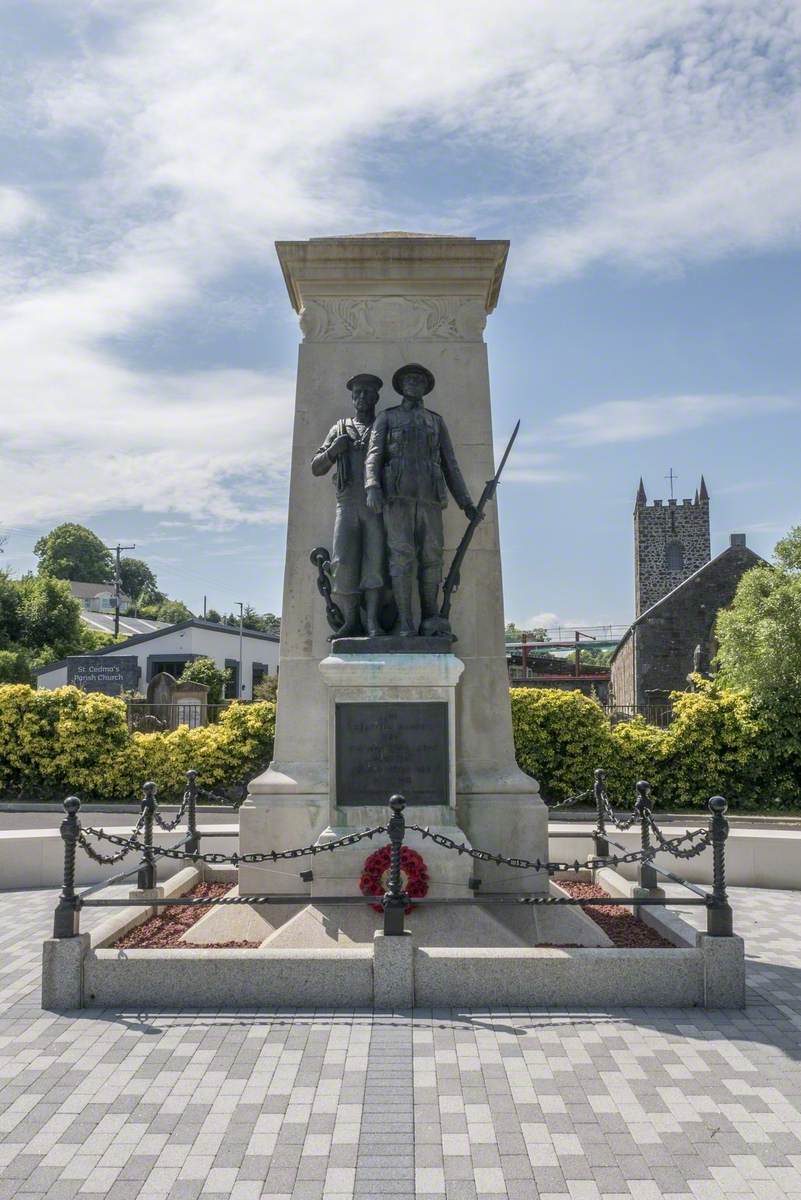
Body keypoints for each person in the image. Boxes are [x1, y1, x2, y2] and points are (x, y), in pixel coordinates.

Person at [364, 363, 478, 637]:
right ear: (401, 385)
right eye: (409, 379)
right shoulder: (387, 418)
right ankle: (405, 622)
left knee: (432, 558)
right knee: (401, 558)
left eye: (419, 380)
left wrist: (466, 503)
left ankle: (430, 619)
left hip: (429, 498)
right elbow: (374, 455)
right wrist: (371, 486)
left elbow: (451, 464)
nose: (414, 383)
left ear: (426, 386)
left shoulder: (435, 421)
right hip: (396, 498)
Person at [311, 373, 386, 637]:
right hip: (346, 503)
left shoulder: (382, 425)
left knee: (375, 563)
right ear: (352, 398)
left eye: (367, 392)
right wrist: (333, 450)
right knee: (343, 563)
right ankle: (351, 621)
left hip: (376, 505)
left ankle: (373, 622)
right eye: (358, 393)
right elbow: (316, 467)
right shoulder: (339, 428)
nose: (362, 397)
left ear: (377, 396)